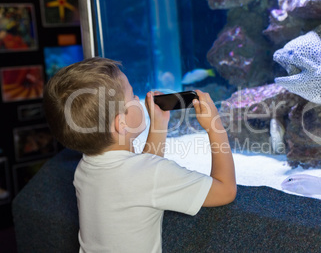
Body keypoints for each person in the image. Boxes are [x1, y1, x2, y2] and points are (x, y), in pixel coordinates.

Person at [43, 57, 236, 252]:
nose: (138, 99)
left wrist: (159, 125)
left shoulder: (85, 168)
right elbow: (225, 190)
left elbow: (141, 171)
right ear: (121, 124)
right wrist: (215, 126)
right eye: (133, 96)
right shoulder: (151, 174)